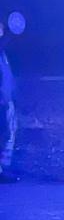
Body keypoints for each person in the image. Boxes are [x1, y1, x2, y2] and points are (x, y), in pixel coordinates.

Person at [0, 38, 16, 183]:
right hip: (2, 100)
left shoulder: (2, 54)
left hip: (6, 99)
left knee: (8, 131)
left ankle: (4, 168)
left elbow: (7, 78)